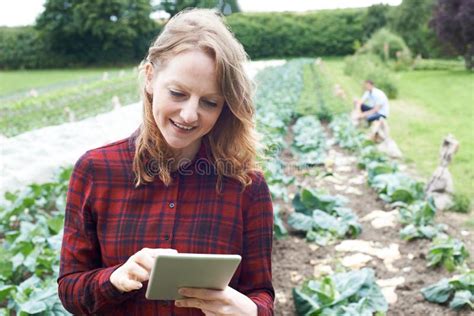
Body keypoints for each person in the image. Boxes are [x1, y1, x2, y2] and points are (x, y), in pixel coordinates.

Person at [57, 9, 274, 315]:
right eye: (178, 93)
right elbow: (70, 290)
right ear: (149, 78)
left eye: (209, 102)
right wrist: (115, 279)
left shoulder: (246, 185)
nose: (189, 114)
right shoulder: (95, 171)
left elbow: (262, 293)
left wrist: (250, 310)